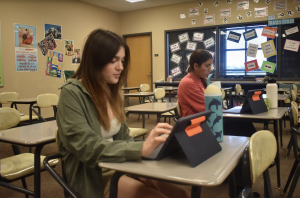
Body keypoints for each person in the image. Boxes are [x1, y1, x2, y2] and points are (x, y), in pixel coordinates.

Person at [56, 29, 190, 198]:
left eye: (123, 60)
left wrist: (138, 168)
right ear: (95, 61)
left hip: (120, 165)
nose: (121, 67)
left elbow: (123, 138)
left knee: (182, 194)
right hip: (94, 175)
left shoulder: (109, 90)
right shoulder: (71, 93)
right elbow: (87, 148)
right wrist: (141, 148)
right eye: (114, 61)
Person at [177, 49, 212, 117]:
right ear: (196, 66)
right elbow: (207, 107)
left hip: (205, 120)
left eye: (210, 66)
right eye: (207, 66)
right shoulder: (188, 82)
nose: (210, 69)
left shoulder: (200, 79)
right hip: (196, 124)